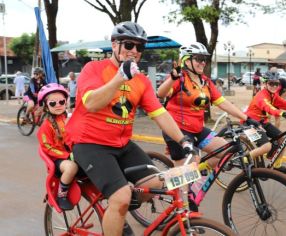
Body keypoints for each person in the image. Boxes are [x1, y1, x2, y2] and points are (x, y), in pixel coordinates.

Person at [65, 21, 194, 236]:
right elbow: (91, 103)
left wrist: (183, 140)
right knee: (122, 197)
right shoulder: (93, 69)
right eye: (128, 45)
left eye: (139, 47)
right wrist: (120, 77)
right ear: (114, 45)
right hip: (90, 144)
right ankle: (118, 204)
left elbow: (159, 113)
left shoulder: (141, 81)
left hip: (121, 143)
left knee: (155, 184)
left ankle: (116, 210)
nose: (134, 51)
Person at [157, 41, 271, 170]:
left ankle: (199, 170)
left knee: (227, 153)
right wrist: (172, 78)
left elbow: (223, 102)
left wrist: (246, 118)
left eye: (204, 59)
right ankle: (177, 183)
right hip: (178, 131)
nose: (203, 63)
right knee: (186, 178)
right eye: (199, 59)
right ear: (187, 61)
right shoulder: (180, 78)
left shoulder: (205, 81)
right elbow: (161, 93)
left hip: (198, 129)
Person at [245, 71, 286, 171]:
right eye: (271, 83)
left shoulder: (273, 95)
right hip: (249, 123)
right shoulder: (261, 96)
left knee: (282, 139)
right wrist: (282, 113)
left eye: (276, 84)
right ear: (265, 84)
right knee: (266, 147)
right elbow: (268, 107)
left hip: (262, 123)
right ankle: (243, 159)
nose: (274, 86)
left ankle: (277, 165)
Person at [37, 83, 78, 211]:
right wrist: (66, 156)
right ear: (46, 106)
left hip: (74, 154)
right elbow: (47, 147)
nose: (58, 105)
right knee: (71, 167)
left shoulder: (69, 118)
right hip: (57, 160)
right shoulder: (46, 126)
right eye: (53, 103)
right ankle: (62, 194)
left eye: (61, 101)